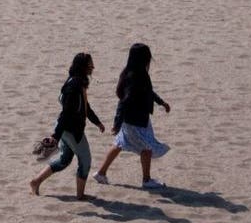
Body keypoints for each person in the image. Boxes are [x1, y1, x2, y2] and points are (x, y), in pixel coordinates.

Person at [93, 43, 171, 190]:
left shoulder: (133, 73)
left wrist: (161, 102)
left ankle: (101, 173)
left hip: (135, 119)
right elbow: (124, 102)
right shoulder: (136, 77)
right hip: (136, 121)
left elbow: (148, 92)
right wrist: (117, 123)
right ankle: (146, 180)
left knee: (119, 143)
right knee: (147, 148)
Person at [29, 53, 105, 200]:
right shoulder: (74, 86)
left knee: (65, 159)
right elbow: (66, 112)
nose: (93, 67)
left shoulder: (78, 82)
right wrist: (55, 136)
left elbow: (85, 107)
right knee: (85, 159)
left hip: (66, 128)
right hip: (70, 130)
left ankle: (35, 182)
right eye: (90, 64)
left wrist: (97, 122)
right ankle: (80, 195)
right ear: (83, 67)